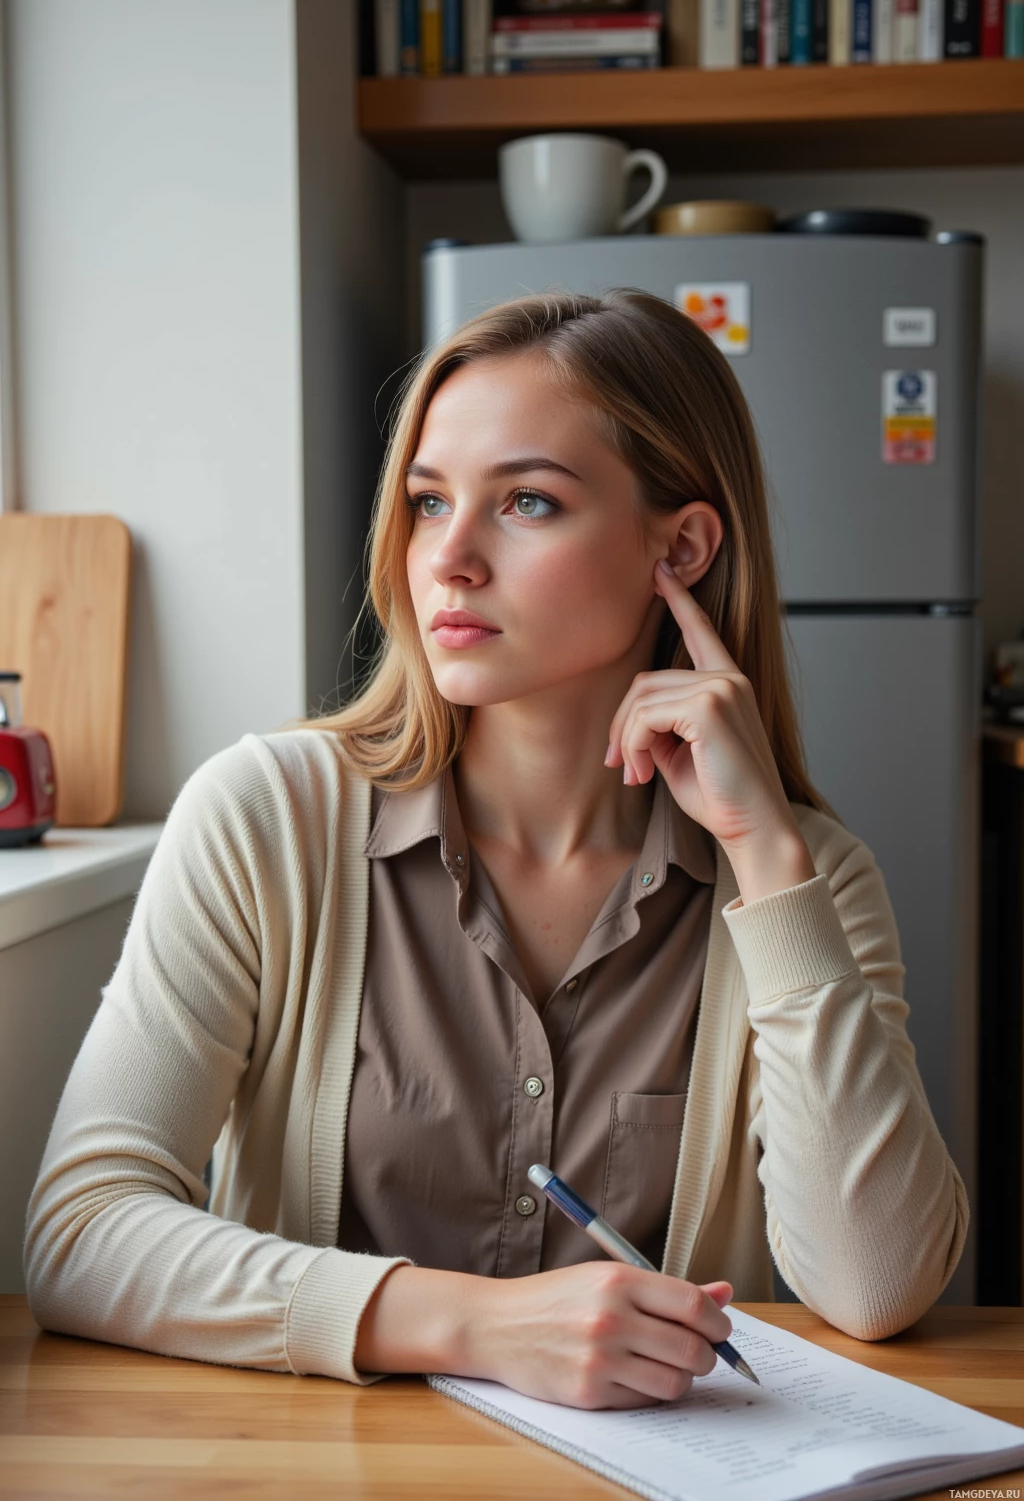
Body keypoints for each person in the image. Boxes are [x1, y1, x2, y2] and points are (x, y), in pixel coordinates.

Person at [24, 288, 967, 1412]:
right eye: (428, 503)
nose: (449, 560)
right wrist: (479, 1324)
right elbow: (81, 1232)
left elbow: (876, 1287)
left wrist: (763, 851)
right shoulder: (262, 819)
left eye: (525, 501)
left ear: (682, 545)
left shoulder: (808, 878)